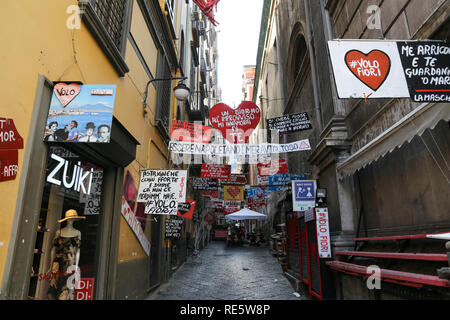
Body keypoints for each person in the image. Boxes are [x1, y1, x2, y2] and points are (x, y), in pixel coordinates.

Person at [47, 209, 85, 300]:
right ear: (67, 219)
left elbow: (77, 251)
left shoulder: (77, 233)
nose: (71, 221)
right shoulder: (59, 232)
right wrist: (50, 265)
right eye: (70, 219)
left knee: (65, 289)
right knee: (53, 288)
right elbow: (53, 249)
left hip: (69, 264)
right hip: (56, 265)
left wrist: (76, 266)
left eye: (73, 219)